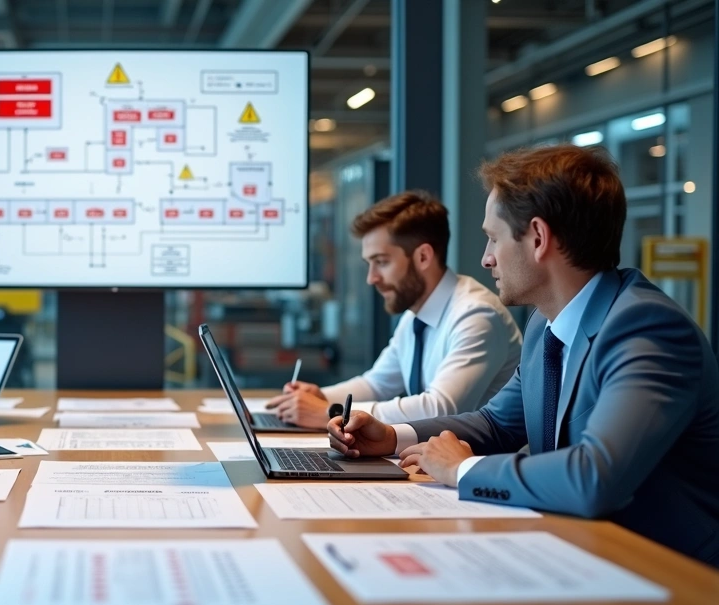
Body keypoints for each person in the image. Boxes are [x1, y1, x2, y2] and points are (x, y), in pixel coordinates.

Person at [328, 145, 719, 568]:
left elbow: (594, 477)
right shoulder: (545, 324)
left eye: (493, 238)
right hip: (582, 551)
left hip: (672, 575)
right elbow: (497, 422)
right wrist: (391, 436)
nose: (486, 258)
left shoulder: (646, 327)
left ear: (538, 237)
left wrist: (464, 470)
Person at [269, 191, 522, 427]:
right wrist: (319, 396)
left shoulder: (476, 315)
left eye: (381, 262)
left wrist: (331, 412)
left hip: (478, 466)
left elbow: (440, 409)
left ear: (423, 257)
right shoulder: (417, 314)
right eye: (370, 264)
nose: (371, 278)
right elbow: (377, 384)